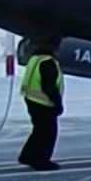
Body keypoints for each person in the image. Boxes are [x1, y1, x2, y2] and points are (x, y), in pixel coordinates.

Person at [18, 39, 64, 170]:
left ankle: (27, 156)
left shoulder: (35, 59)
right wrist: (57, 103)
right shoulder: (48, 62)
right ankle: (41, 160)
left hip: (31, 99)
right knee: (47, 132)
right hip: (43, 102)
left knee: (38, 130)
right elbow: (49, 86)